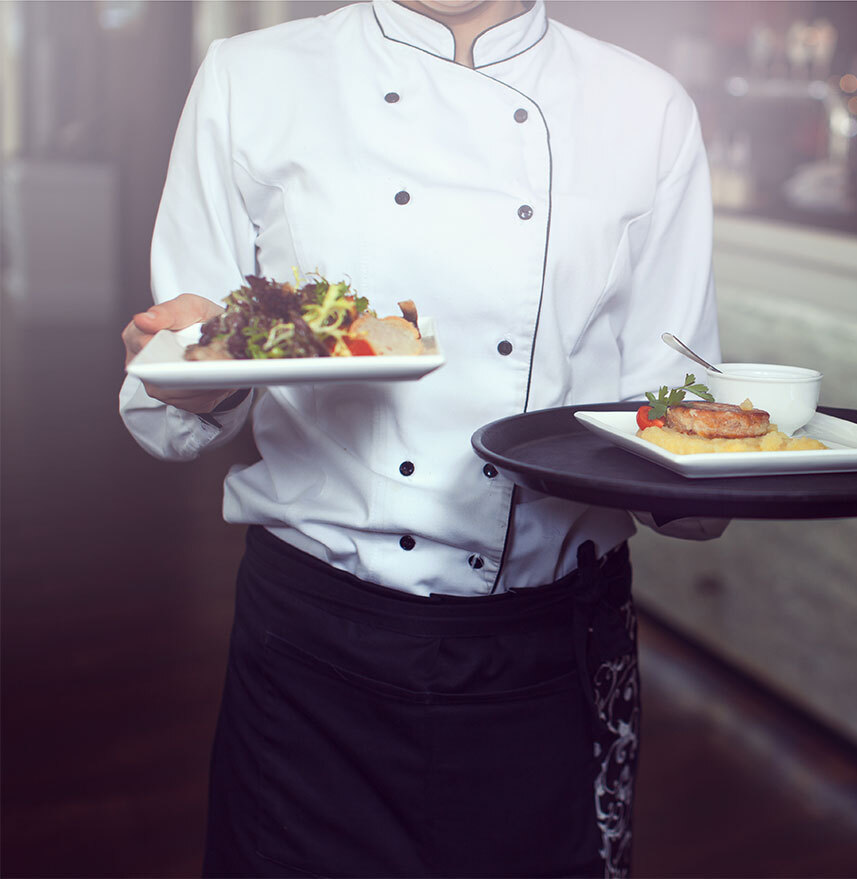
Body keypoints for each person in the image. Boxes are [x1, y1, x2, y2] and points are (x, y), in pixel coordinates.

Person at [119, 1, 723, 875]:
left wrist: (718, 469)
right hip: (313, 649)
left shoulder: (647, 106)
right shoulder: (251, 79)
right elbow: (173, 397)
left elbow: (675, 406)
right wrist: (190, 362)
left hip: (555, 651)